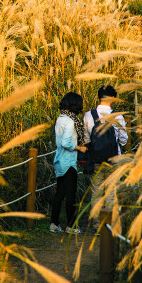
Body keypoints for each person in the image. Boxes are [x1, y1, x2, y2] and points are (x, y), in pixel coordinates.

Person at [83, 85, 128, 209]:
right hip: (113, 160)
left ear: (99, 97)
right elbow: (123, 139)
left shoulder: (88, 115)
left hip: (95, 159)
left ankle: (96, 225)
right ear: (113, 98)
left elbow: (86, 139)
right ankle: (107, 225)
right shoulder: (117, 116)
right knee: (111, 193)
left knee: (96, 193)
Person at [50, 92, 88, 234]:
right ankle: (71, 227)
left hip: (59, 160)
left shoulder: (61, 118)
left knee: (59, 193)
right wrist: (80, 147)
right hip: (68, 162)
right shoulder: (71, 121)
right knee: (71, 195)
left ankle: (54, 223)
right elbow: (66, 143)